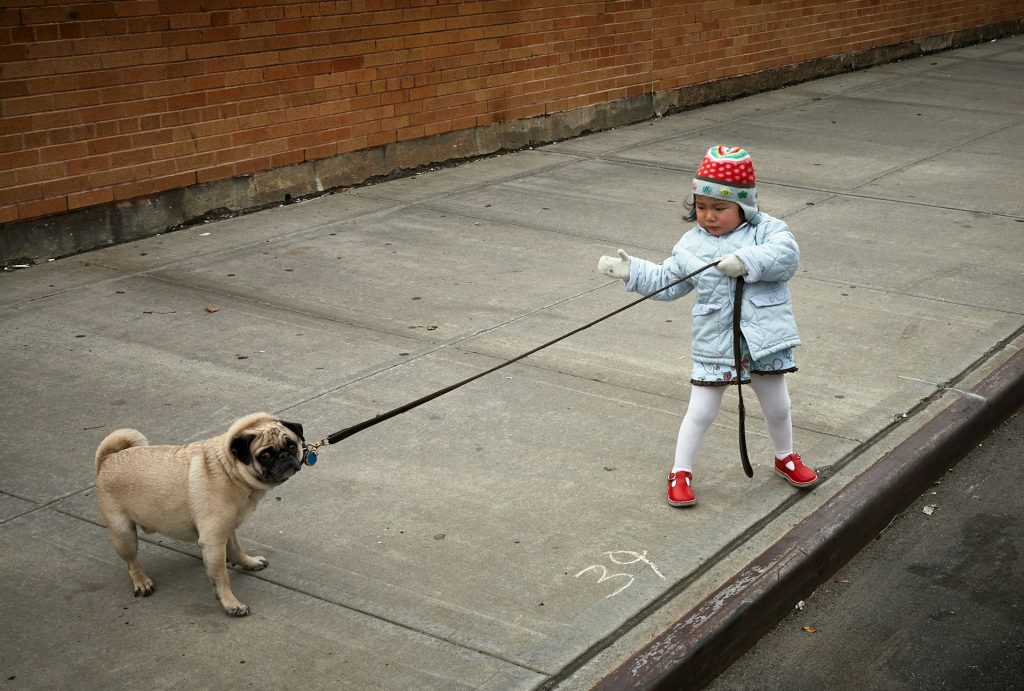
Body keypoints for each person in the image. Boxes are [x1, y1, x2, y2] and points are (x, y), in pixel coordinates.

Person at [597, 146, 818, 507]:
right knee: (701, 410)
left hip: (764, 339)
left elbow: (786, 256)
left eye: (719, 208)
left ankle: (785, 456)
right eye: (701, 207)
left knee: (777, 405)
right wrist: (633, 272)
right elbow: (670, 280)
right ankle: (680, 471)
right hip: (715, 341)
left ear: (743, 207)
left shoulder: (767, 230)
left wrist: (746, 260)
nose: (709, 216)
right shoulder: (691, 245)